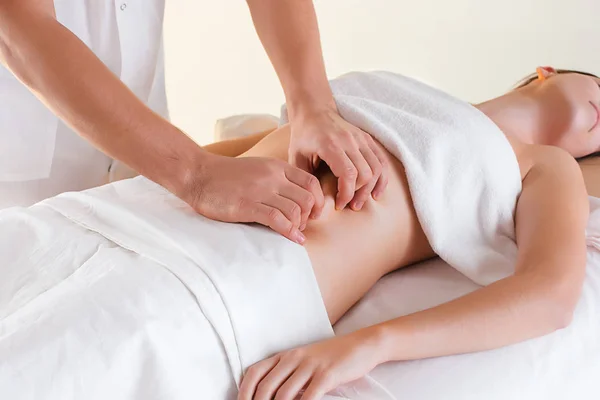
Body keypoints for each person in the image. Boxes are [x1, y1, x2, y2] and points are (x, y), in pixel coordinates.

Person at [199, 67, 597, 400]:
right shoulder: (400, 87)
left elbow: (551, 296)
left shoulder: (547, 164)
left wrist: (373, 344)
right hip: (173, 218)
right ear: (548, 72)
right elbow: (220, 155)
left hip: (238, 283)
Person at [0, 0, 387, 244]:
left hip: (143, 158)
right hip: (21, 176)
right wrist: (194, 174)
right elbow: (19, 28)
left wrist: (313, 104)